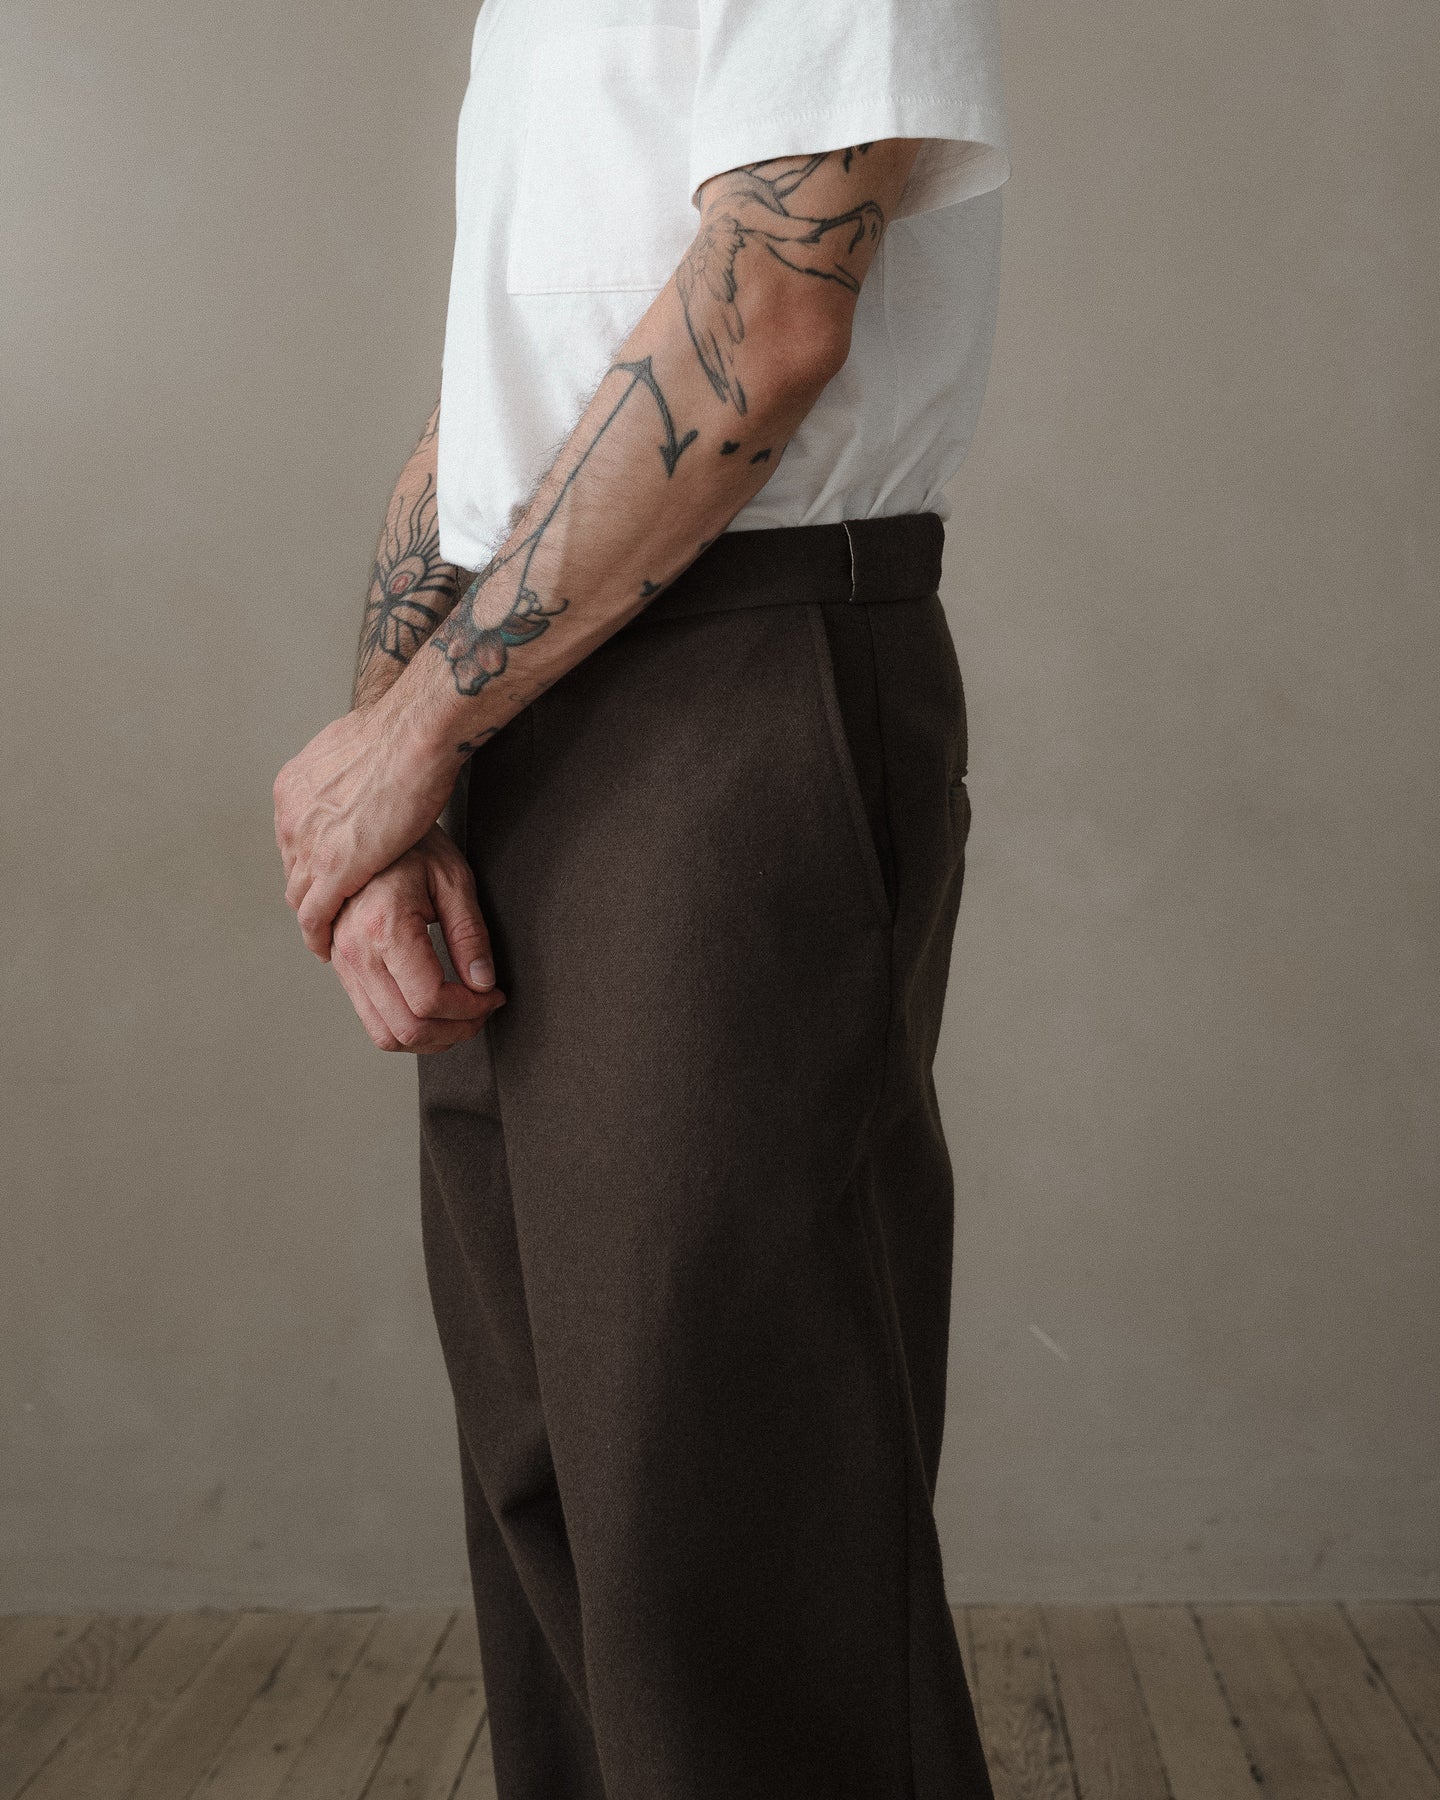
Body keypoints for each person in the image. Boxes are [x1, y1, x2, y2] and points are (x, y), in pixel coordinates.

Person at [273, 1, 1009, 1793]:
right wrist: (392, 763)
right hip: (512, 694)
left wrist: (412, 735)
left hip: (736, 675)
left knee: (725, 1499)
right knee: (558, 1473)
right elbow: (503, 401)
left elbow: (767, 317)